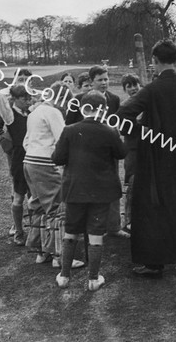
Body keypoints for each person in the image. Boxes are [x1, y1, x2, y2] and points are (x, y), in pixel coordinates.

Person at [116, 39, 176, 278]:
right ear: (175, 59)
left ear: (155, 61)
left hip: (157, 161)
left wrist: (141, 131)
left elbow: (123, 114)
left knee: (154, 209)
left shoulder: (153, 89)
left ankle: (155, 263)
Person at [52, 91, 127, 291]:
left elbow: (57, 158)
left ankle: (64, 276)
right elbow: (121, 153)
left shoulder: (69, 129)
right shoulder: (110, 131)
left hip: (75, 188)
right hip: (101, 191)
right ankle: (93, 279)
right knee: (95, 234)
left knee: (71, 231)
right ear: (103, 109)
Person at [23, 81, 84, 269]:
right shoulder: (53, 112)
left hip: (29, 162)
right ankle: (60, 256)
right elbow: (62, 140)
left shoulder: (35, 112)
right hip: (45, 163)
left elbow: (26, 141)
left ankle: (42, 252)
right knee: (58, 208)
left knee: (39, 206)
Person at [66, 66, 129, 239]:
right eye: (100, 80)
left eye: (106, 79)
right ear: (91, 81)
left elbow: (117, 125)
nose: (104, 83)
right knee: (86, 190)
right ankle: (88, 229)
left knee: (113, 187)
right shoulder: (78, 100)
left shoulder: (114, 99)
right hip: (85, 156)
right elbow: (68, 125)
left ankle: (114, 226)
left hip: (108, 155)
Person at [0, 83, 34, 246]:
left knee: (33, 198)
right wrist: (14, 87)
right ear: (14, 99)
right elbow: (0, 96)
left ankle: (34, 230)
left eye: (30, 98)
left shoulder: (31, 112)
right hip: (18, 159)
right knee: (18, 197)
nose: (29, 102)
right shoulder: (10, 116)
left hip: (32, 157)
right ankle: (19, 231)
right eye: (25, 98)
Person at [120, 73, 142, 232]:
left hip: (146, 147)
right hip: (133, 148)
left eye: (136, 84)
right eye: (129, 86)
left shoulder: (146, 103)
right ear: (125, 89)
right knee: (133, 183)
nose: (134, 88)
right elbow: (124, 129)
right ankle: (129, 219)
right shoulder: (126, 106)